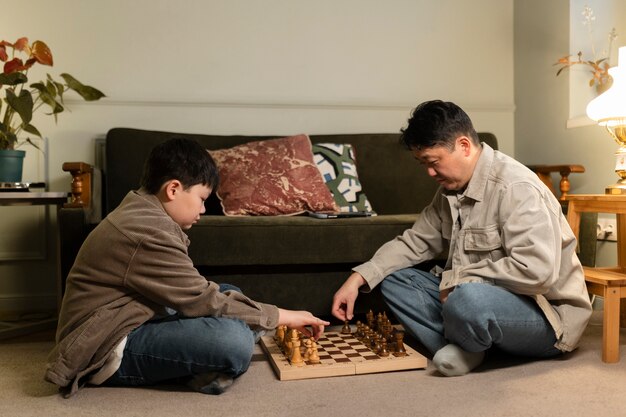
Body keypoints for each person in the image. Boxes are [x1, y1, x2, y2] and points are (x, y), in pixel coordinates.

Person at [45, 138, 329, 397]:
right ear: (173, 189)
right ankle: (211, 361)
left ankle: (214, 353)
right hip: (106, 346)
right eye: (202, 199)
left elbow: (200, 294)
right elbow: (201, 299)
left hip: (131, 316)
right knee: (232, 342)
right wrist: (282, 316)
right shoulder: (147, 231)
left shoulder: (143, 210)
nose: (203, 211)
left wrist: (257, 314)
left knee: (230, 293)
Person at [331, 100, 592, 376]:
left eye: (433, 162)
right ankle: (472, 346)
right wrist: (357, 278)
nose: (429, 173)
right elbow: (414, 242)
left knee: (466, 298)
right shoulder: (449, 191)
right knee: (395, 280)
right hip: (479, 303)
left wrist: (461, 279)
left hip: (546, 318)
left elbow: (537, 272)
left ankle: (467, 345)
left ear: (464, 146)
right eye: (423, 164)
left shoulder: (517, 188)